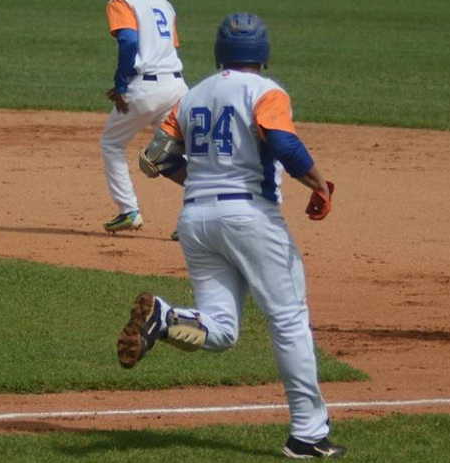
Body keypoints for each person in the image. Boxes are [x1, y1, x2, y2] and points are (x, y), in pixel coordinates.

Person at [117, 12, 346, 459]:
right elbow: (283, 143)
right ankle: (307, 432)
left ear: (221, 51)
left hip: (196, 222)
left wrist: (204, 178)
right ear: (263, 53)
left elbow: (153, 159)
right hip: (250, 220)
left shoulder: (193, 95)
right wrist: (318, 182)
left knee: (221, 330)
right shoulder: (266, 91)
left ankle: (163, 316)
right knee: (289, 319)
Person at [101, 0, 188, 234]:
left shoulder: (122, 2)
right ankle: (196, 216)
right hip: (177, 87)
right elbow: (169, 47)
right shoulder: (165, 5)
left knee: (112, 144)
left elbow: (129, 40)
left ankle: (128, 210)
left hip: (143, 89)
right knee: (186, 151)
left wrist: (120, 83)